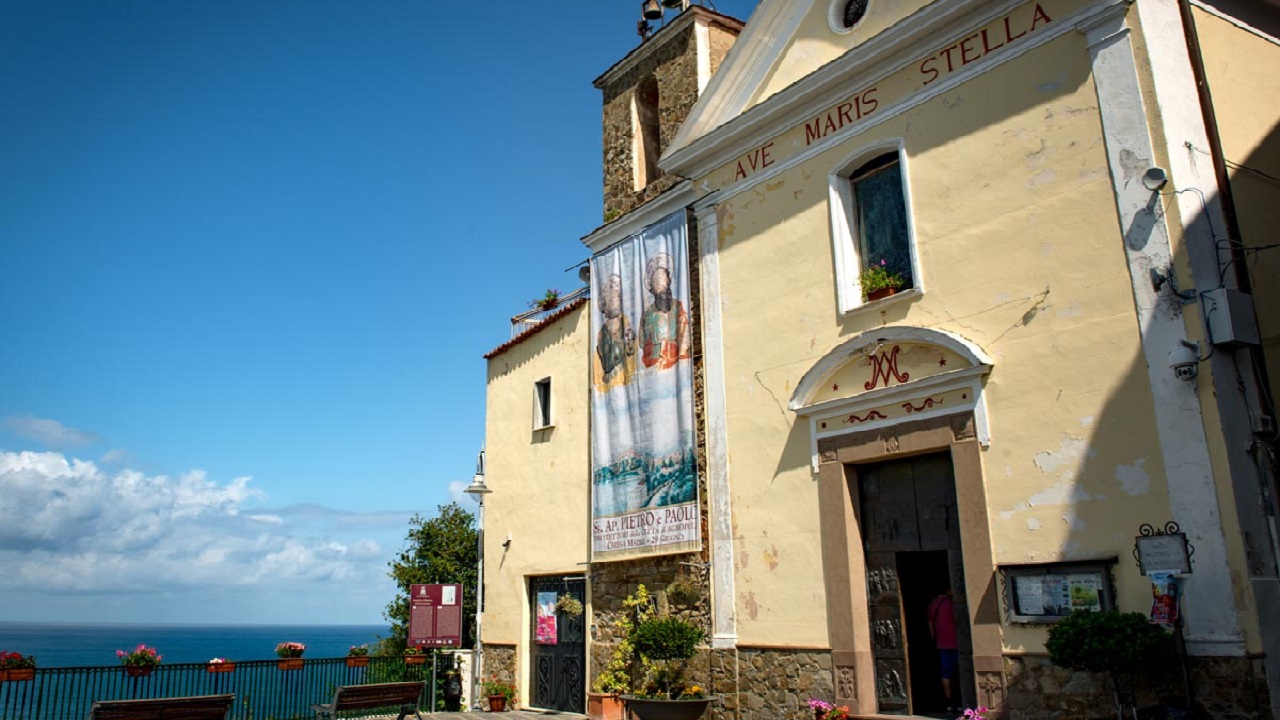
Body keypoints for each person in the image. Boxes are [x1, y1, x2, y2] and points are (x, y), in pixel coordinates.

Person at [639, 253, 691, 370]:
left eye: (663, 278)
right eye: (656, 280)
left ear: (668, 281)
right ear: (651, 285)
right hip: (652, 363)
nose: (660, 283)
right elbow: (642, 341)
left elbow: (685, 334)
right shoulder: (646, 314)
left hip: (674, 362)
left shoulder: (677, 306)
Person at [595, 273, 636, 387]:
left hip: (628, 381)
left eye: (618, 297)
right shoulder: (602, 333)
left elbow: (632, 353)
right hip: (612, 383)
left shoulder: (627, 325)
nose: (615, 301)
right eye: (611, 298)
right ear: (604, 303)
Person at [928, 588, 959, 712]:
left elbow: (930, 625)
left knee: (945, 674)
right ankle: (961, 700)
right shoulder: (954, 603)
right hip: (957, 644)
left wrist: (935, 639)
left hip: (941, 645)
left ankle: (949, 700)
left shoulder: (933, 605)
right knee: (958, 673)